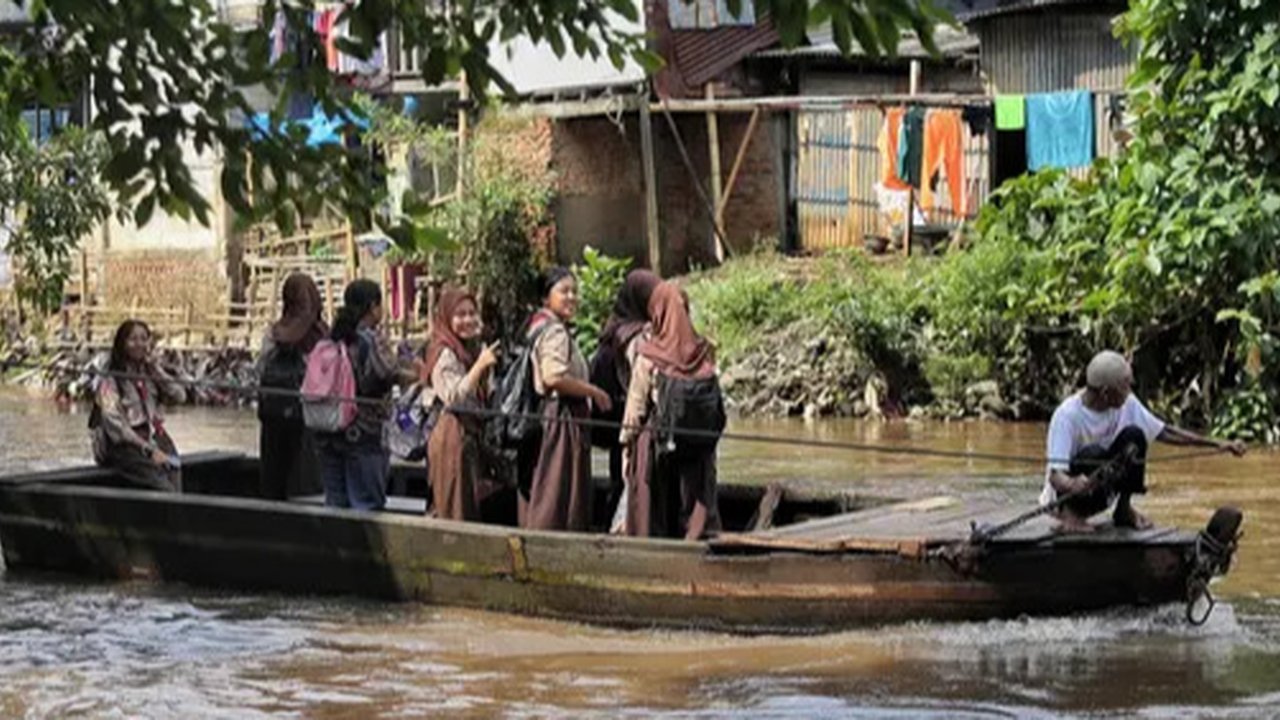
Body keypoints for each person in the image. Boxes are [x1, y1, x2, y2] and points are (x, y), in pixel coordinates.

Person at [1044, 350, 1247, 531]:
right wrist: (1072, 484)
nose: (1129, 392)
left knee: (1134, 436)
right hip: (1066, 499)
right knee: (1093, 453)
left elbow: (1165, 432)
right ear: (1105, 393)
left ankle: (1124, 509)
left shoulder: (1127, 403)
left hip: (1099, 489)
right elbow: (1056, 476)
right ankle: (1071, 517)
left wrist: (1220, 444)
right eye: (1125, 387)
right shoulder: (1067, 416)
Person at [620, 282, 723, 540]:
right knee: (696, 493)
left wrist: (626, 447)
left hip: (659, 442)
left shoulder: (650, 355)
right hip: (699, 442)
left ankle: (652, 541)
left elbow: (635, 410)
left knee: (650, 493)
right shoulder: (706, 351)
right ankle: (697, 537)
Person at [520, 266, 612, 531]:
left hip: (550, 415)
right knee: (558, 488)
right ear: (546, 297)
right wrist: (593, 392)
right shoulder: (555, 332)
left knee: (549, 482)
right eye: (564, 291)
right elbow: (553, 377)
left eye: (574, 291)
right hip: (561, 417)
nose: (572, 297)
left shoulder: (537, 325)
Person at [317, 279, 415, 511]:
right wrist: (411, 369)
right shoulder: (370, 340)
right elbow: (386, 374)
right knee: (366, 507)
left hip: (329, 429)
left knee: (335, 505)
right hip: (363, 432)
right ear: (373, 306)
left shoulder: (331, 337)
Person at [590, 269, 661, 530]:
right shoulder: (636, 337)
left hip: (613, 422)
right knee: (632, 482)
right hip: (631, 422)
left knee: (619, 481)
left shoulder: (613, 330)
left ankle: (613, 524)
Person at [423, 287, 499, 522]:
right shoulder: (444, 352)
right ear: (447, 318)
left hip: (468, 435)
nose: (468, 320)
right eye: (460, 314)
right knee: (454, 508)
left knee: (468, 504)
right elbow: (452, 396)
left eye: (472, 313)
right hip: (451, 436)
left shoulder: (469, 348)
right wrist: (480, 366)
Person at [89, 320, 187, 491]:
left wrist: (158, 372)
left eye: (143, 339)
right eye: (133, 339)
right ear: (122, 343)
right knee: (164, 487)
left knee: (175, 476)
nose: (139, 344)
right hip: (125, 445)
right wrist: (149, 450)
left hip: (152, 435)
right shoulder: (109, 381)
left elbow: (180, 396)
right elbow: (118, 429)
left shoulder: (149, 373)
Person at [257, 272, 327, 501]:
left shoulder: (273, 333)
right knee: (305, 481)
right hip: (308, 417)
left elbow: (261, 368)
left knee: (273, 476)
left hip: (273, 415)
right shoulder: (321, 335)